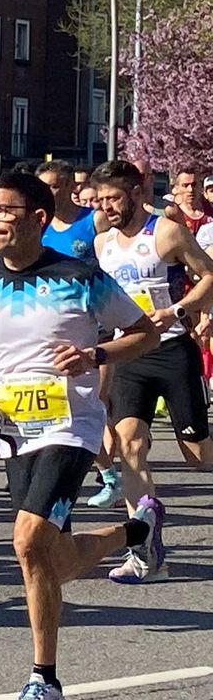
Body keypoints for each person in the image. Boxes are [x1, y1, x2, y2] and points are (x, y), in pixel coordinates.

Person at [0, 171, 163, 700]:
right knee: (54, 557)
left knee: (27, 543)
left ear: (38, 218)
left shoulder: (80, 277)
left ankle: (45, 681)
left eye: (3, 209)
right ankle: (137, 530)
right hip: (13, 429)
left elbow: (146, 332)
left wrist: (97, 357)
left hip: (73, 427)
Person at [90, 159, 213, 579]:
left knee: (198, 454)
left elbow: (209, 276)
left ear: (137, 193)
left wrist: (177, 309)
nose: (107, 207)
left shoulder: (166, 232)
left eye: (114, 198)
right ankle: (144, 548)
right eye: (102, 199)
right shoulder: (102, 242)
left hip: (173, 348)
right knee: (128, 443)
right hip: (129, 351)